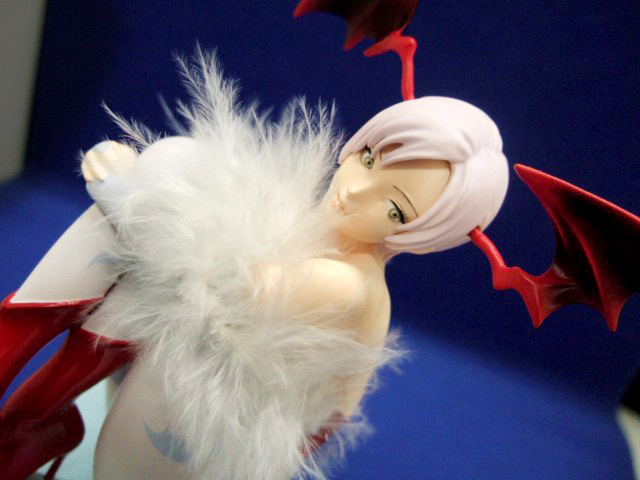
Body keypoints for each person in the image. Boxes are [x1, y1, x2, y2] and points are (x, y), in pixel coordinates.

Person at [0, 53, 508, 480]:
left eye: (395, 209)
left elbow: (220, 281)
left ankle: (28, 382)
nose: (355, 189)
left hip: (219, 413)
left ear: (423, 238)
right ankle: (32, 383)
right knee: (178, 159)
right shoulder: (319, 222)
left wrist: (130, 194)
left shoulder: (349, 285)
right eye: (370, 159)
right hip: (180, 353)